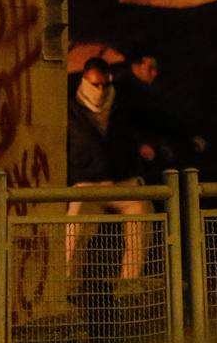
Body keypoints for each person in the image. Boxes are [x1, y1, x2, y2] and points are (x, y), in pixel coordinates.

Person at [65, 57, 158, 291]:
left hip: (123, 179)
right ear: (84, 80)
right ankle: (67, 289)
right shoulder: (70, 107)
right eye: (95, 85)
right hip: (88, 183)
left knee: (140, 228)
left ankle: (129, 286)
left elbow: (151, 123)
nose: (100, 90)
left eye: (104, 85)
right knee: (72, 238)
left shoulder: (122, 103)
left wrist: (150, 146)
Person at [111, 49, 207, 182]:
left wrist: (189, 135)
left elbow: (160, 118)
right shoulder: (123, 91)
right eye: (150, 68)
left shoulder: (144, 90)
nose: (155, 73)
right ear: (136, 66)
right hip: (131, 160)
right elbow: (123, 123)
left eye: (155, 68)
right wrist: (139, 144)